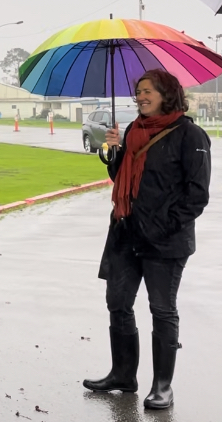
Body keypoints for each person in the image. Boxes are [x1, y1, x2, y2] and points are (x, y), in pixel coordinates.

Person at [83, 70, 209, 410]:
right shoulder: (133, 131)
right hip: (125, 232)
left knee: (162, 309)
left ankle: (163, 386)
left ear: (167, 94)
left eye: (147, 91)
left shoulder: (190, 135)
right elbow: (120, 178)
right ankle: (124, 375)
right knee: (118, 303)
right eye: (138, 91)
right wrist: (113, 152)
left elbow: (197, 196)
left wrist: (162, 226)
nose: (140, 96)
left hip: (165, 241)